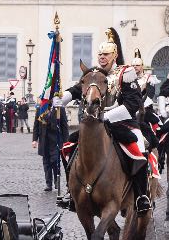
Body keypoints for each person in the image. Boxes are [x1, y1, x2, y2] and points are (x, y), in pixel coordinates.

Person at [54, 27, 151, 214]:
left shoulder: (126, 73)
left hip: (122, 122)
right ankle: (71, 191)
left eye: (106, 54)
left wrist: (106, 116)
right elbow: (77, 89)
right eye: (100, 54)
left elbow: (132, 103)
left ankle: (141, 196)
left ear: (114, 55)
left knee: (140, 149)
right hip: (95, 126)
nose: (102, 57)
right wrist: (62, 98)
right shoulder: (94, 73)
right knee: (68, 148)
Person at [33, 105, 67, 192]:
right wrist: (34, 139)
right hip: (44, 140)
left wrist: (66, 142)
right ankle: (48, 183)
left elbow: (64, 126)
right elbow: (36, 125)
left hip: (56, 139)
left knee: (55, 160)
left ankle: (56, 180)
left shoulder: (60, 109)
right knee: (46, 162)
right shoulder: (40, 109)